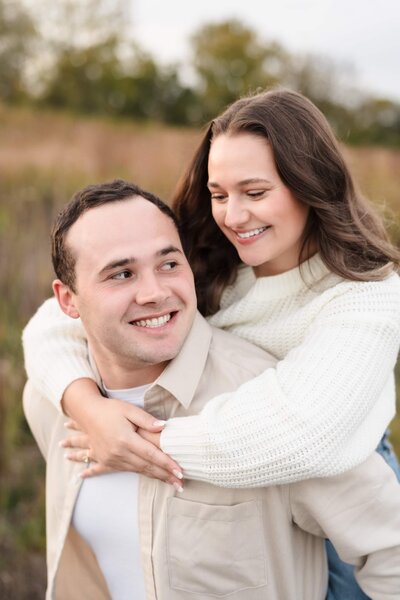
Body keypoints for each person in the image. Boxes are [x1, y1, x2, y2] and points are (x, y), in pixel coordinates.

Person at [23, 90, 400, 599]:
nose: (234, 216)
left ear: (310, 184)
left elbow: (307, 434)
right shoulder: (209, 261)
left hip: (333, 453)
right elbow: (56, 322)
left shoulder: (365, 295)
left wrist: (139, 444)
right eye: (220, 194)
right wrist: (87, 406)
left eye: (255, 191)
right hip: (222, 423)